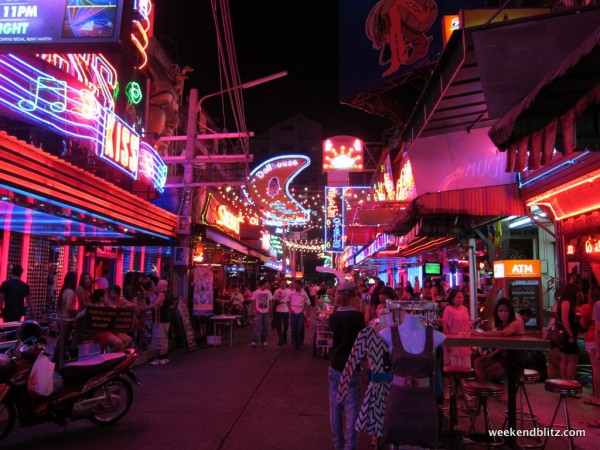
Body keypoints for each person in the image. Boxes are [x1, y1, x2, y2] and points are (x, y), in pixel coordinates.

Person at [379, 311, 445, 448]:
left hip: (424, 403)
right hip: (398, 403)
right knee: (395, 440)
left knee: (425, 440)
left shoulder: (436, 336)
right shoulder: (387, 333)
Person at [338, 308, 394, 448]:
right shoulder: (400, 334)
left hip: (380, 388)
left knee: (382, 424)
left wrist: (341, 393)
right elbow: (352, 361)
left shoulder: (368, 334)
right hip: (392, 388)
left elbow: (352, 361)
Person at [328, 282, 366, 450]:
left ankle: (338, 445)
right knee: (351, 409)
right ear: (352, 296)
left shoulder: (333, 316)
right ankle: (350, 446)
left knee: (335, 407)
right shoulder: (358, 317)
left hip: (335, 364)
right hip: (352, 365)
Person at [473, 298, 525, 382]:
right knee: (478, 362)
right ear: (496, 312)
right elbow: (503, 345)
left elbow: (503, 334)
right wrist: (491, 355)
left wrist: (480, 333)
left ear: (510, 311)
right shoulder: (501, 325)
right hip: (503, 356)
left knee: (482, 372)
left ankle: (486, 392)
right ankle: (485, 392)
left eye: (506, 311)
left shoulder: (515, 323)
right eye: (500, 311)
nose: (503, 314)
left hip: (515, 359)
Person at [140, 278, 172, 365]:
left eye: (158, 285)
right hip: (165, 319)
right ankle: (164, 357)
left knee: (161, 339)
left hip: (161, 319)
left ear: (161, 286)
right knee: (164, 339)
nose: (156, 286)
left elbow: (155, 305)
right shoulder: (165, 293)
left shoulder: (162, 294)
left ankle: (161, 359)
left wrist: (142, 308)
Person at [89, 288, 131, 353]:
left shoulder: (103, 305)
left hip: (109, 329)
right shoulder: (94, 306)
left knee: (128, 339)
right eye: (105, 295)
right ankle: (111, 356)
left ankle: (117, 353)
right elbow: (84, 312)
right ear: (101, 298)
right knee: (118, 343)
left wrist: (120, 307)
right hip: (101, 331)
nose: (107, 296)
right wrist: (74, 318)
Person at [580, 285, 600, 407]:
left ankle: (597, 397)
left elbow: (583, 324)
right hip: (595, 337)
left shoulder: (589, 307)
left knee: (596, 369)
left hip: (593, 338)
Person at [442, 289, 472, 367]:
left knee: (465, 367)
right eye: (458, 297)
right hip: (454, 343)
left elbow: (467, 324)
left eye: (462, 297)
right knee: (454, 367)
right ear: (452, 299)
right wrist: (448, 343)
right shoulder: (448, 310)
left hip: (465, 341)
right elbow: (446, 328)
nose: (461, 299)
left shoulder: (465, 309)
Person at [55, 271, 79, 361]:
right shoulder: (71, 292)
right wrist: (75, 312)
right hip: (67, 319)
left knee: (61, 340)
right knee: (63, 340)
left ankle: (58, 358)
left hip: (61, 318)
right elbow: (69, 306)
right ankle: (58, 359)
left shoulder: (64, 290)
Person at [558, 283, 580, 380]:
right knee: (572, 360)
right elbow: (565, 319)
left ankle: (565, 383)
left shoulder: (562, 302)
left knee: (565, 359)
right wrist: (571, 334)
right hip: (568, 334)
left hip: (564, 333)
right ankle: (569, 384)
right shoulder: (566, 302)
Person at [288, 279, 311, 350]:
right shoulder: (291, 293)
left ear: (300, 285)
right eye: (294, 284)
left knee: (300, 328)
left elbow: (308, 303)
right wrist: (290, 310)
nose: (294, 285)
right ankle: (295, 343)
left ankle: (300, 342)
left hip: (301, 314)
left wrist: (306, 312)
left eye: (296, 284)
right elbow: (288, 301)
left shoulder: (304, 293)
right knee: (293, 329)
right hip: (293, 313)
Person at [250, 279, 272, 348]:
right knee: (257, 326)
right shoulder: (256, 292)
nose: (268, 285)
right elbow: (253, 301)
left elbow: (271, 301)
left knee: (266, 327)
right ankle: (254, 341)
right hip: (259, 312)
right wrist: (255, 309)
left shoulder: (268, 292)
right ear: (262, 284)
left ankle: (264, 340)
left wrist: (270, 309)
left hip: (266, 312)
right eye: (266, 284)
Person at [272, 281, 290, 345]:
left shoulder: (289, 291)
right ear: (280, 283)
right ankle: (280, 339)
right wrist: (271, 309)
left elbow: (290, 301)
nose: (283, 284)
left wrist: (290, 309)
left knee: (286, 325)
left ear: (286, 283)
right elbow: (274, 300)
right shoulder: (276, 291)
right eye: (281, 282)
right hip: (278, 310)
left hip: (286, 309)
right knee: (279, 325)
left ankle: (284, 335)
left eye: (284, 282)